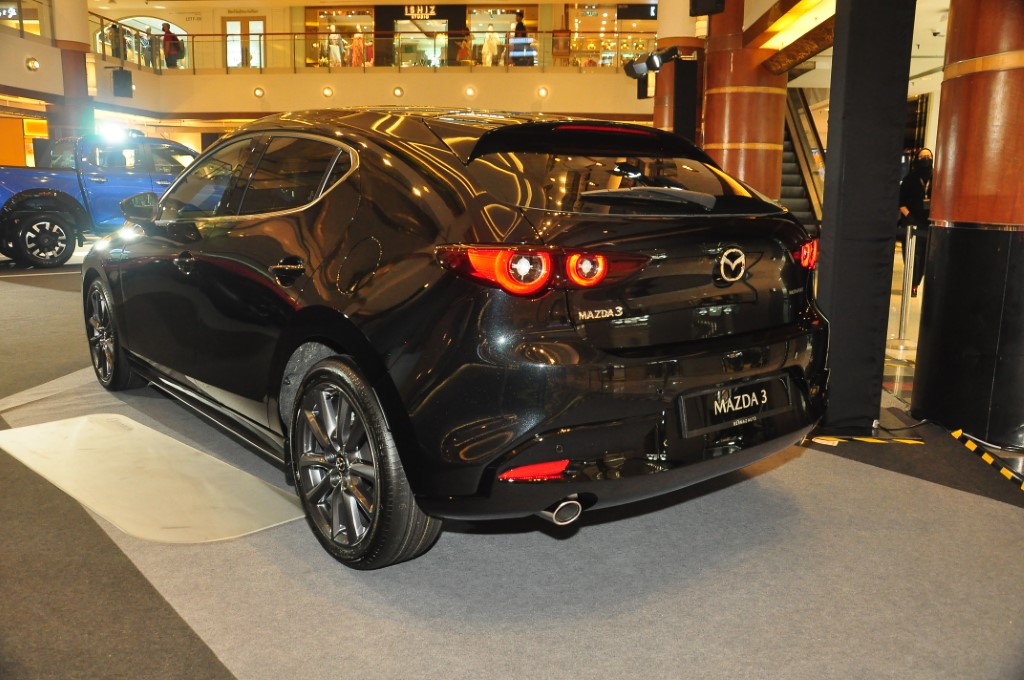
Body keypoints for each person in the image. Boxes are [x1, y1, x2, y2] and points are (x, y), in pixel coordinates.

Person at [898, 148, 933, 297]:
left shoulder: (936, 178)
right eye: (922, 156)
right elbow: (901, 201)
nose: (925, 159)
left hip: (928, 223)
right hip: (912, 222)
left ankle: (916, 283)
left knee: (924, 255)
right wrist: (909, 217)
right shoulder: (910, 179)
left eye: (928, 156)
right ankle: (911, 283)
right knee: (913, 254)